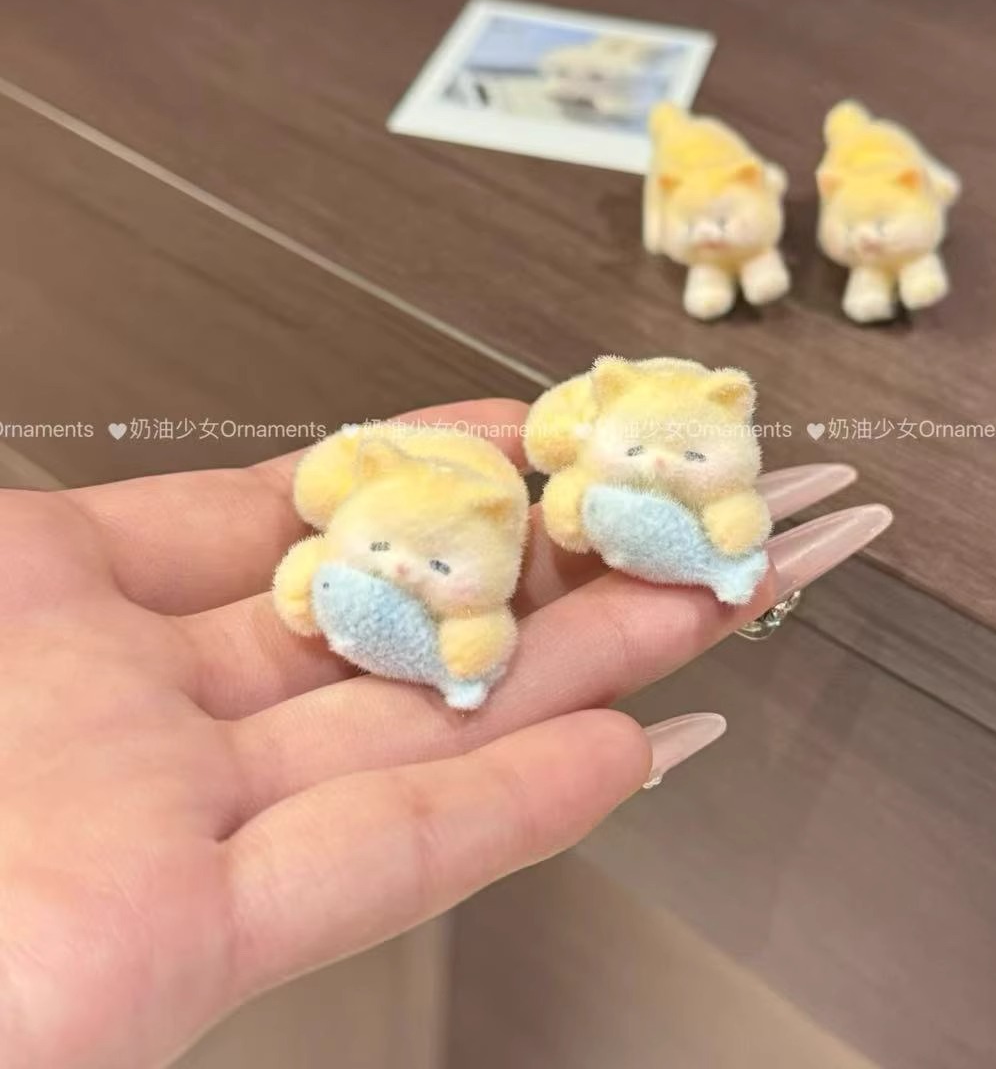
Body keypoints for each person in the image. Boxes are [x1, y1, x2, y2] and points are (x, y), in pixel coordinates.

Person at [0, 399, 885, 1068]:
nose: (402, 568)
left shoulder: (485, 566)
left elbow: (488, 616)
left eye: (433, 562)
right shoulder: (346, 555)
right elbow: (319, 570)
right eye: (386, 546)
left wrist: (465, 660)